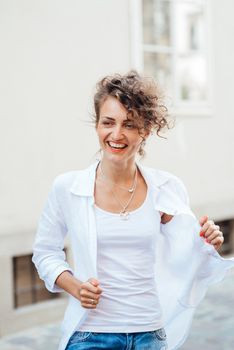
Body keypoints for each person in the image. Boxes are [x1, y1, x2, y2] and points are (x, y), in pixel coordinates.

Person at [32, 71, 234, 350]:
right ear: (97, 126)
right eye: (108, 122)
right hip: (90, 334)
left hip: (149, 333)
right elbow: (45, 252)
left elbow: (184, 257)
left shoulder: (166, 188)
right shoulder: (67, 188)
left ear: (145, 130)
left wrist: (206, 241)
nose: (116, 134)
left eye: (129, 124)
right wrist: (74, 286)